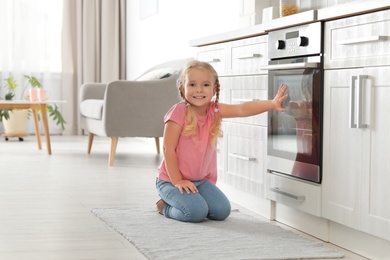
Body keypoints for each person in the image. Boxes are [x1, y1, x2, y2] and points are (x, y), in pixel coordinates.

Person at [156, 60, 288, 223]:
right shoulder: (178, 111)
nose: (199, 90)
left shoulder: (214, 110)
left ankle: (191, 201)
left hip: (200, 181)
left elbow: (242, 109)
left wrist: (272, 104)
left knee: (222, 211)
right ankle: (165, 207)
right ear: (183, 88)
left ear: (214, 89)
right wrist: (177, 181)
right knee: (196, 213)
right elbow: (168, 149)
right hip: (170, 180)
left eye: (205, 85)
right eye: (192, 84)